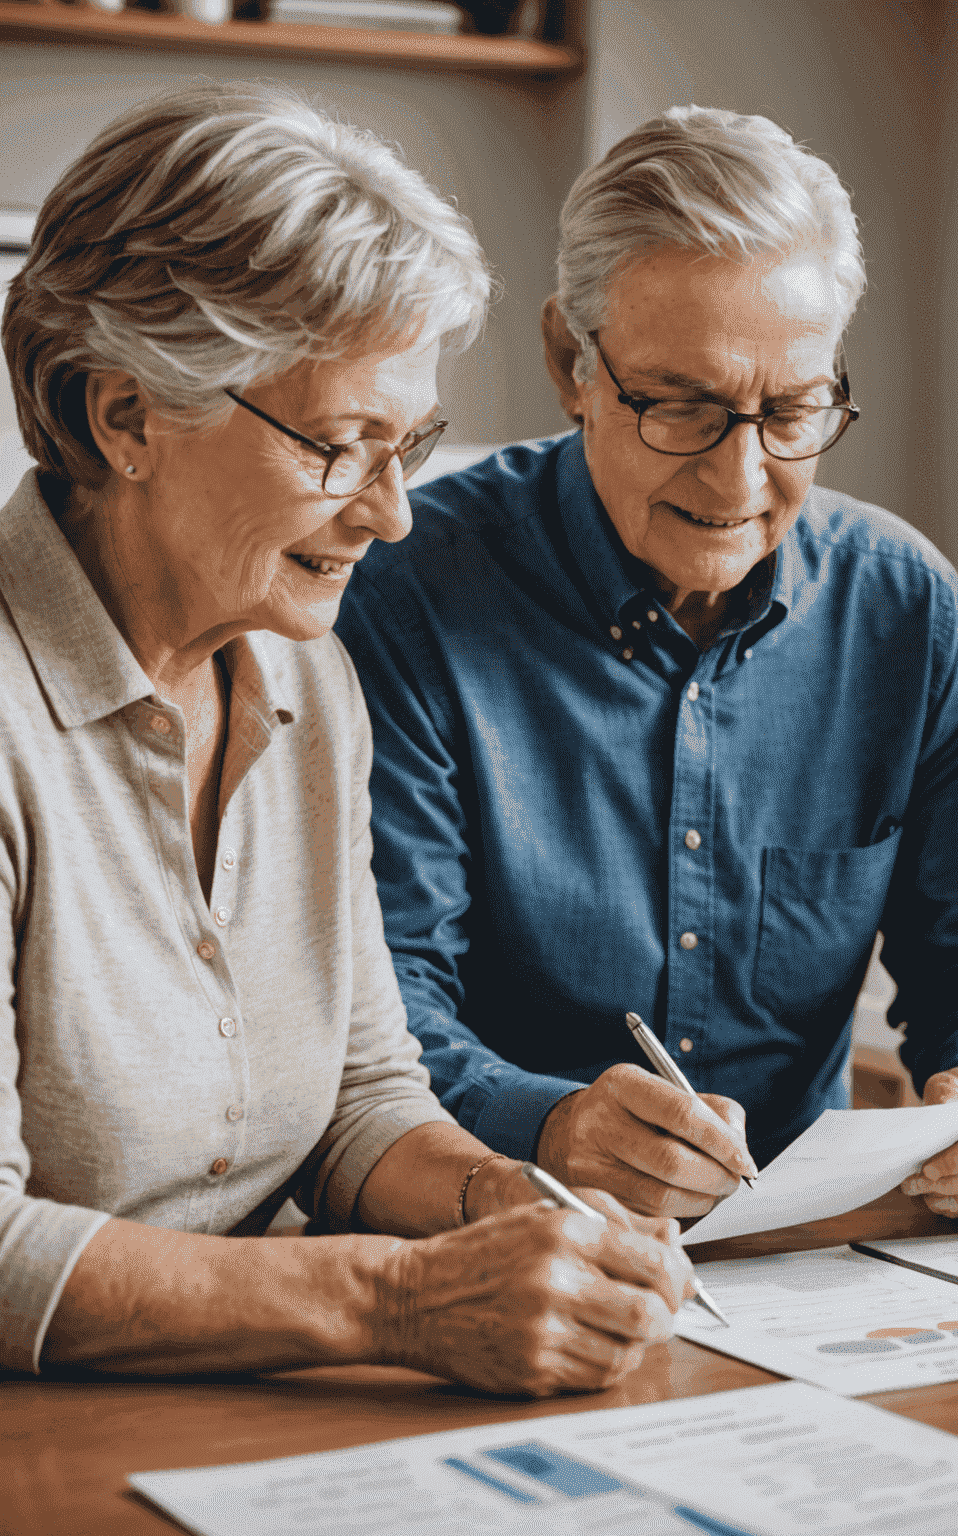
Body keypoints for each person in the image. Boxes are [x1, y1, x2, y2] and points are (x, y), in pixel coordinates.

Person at [0, 83, 695, 1393]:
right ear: (124, 414)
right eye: (340, 445)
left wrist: (514, 1207)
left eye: (410, 443)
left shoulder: (304, 676)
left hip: (258, 1414)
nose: (393, 515)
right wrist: (396, 1300)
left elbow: (364, 1103)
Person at [335, 107, 958, 1224]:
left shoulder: (900, 606)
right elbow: (381, 1014)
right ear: (570, 363)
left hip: (808, 1254)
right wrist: (546, 1121)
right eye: (681, 406)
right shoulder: (408, 590)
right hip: (496, 1230)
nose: (740, 479)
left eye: (790, 411)